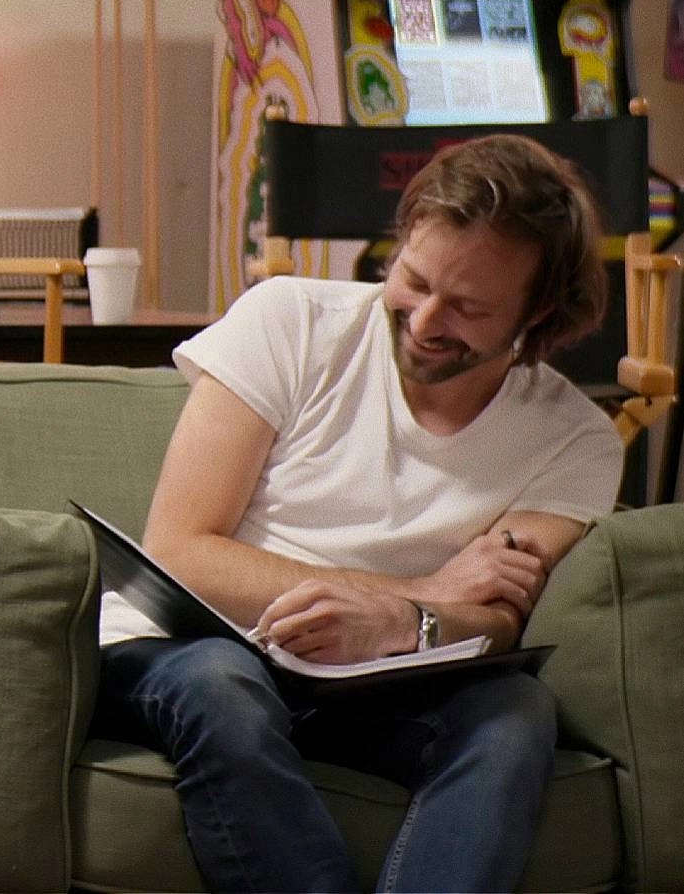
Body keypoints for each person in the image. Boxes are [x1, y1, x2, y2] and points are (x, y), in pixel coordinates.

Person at [95, 133, 621, 892]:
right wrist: (414, 598)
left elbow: (499, 618)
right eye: (412, 279)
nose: (424, 320)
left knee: (515, 710)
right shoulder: (289, 321)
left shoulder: (575, 441)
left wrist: (401, 626)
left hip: (375, 689)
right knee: (222, 683)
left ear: (535, 312)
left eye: (467, 307)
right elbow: (179, 550)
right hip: (196, 649)